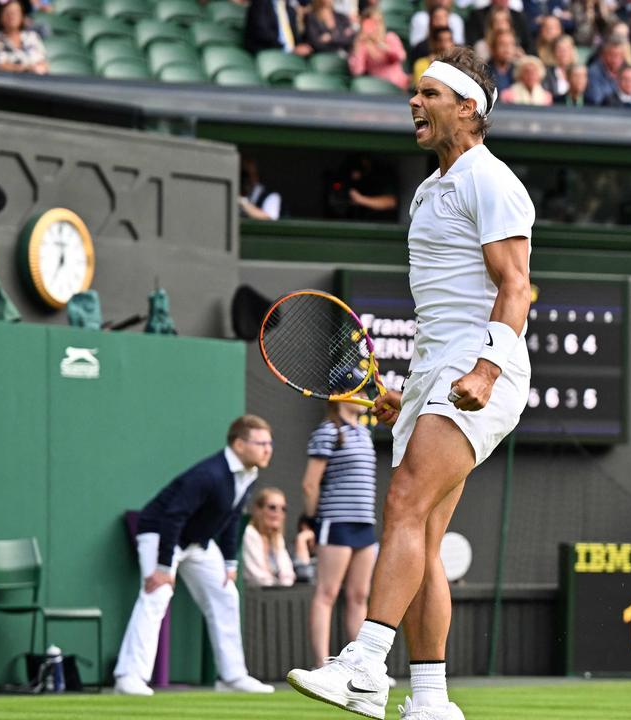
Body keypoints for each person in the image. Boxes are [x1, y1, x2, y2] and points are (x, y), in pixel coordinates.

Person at [287, 46, 534, 720]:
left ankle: (365, 665)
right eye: (413, 94)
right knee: (420, 535)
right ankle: (430, 699)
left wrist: (484, 369)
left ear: (468, 109)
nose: (414, 104)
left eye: (429, 94)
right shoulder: (429, 190)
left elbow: (516, 287)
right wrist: (415, 388)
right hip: (437, 369)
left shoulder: (490, 179)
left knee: (400, 502)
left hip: (482, 364)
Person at [112, 415, 276, 696]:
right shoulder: (209, 475)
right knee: (157, 593)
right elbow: (173, 518)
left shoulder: (248, 474)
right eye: (261, 443)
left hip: (197, 542)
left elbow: (232, 517)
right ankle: (129, 676)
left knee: (225, 594)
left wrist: (229, 562)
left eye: (269, 443)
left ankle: (232, 677)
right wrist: (164, 567)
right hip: (160, 532)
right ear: (238, 444)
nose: (268, 449)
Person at [302, 400, 380, 670]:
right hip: (335, 521)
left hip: (364, 524)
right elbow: (310, 483)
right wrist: (309, 521)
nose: (362, 398)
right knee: (327, 592)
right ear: (339, 396)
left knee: (359, 596)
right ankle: (321, 665)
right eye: (355, 391)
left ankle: (361, 667)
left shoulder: (364, 433)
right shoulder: (327, 431)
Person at [242, 487, 296, 587]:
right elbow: (258, 577)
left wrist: (285, 585)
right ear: (258, 510)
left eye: (283, 509)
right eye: (272, 507)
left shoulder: (277, 538)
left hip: (273, 595)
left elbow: (288, 573)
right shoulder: (249, 534)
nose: (278, 513)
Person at [349, 8, 407, 91]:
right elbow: (357, 71)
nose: (377, 26)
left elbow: (400, 57)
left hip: (398, 87)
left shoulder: (390, 38)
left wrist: (381, 45)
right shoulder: (363, 45)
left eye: (379, 22)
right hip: (377, 89)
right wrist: (358, 46)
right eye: (372, 23)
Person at [0, 0, 46, 74]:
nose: (12, 15)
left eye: (16, 12)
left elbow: (43, 63)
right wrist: (25, 68)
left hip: (36, 81)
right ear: (1, 17)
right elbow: (0, 65)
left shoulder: (32, 36)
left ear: (22, 16)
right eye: (8, 12)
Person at [239, 156, 282, 221]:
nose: (246, 179)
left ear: (256, 176)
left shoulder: (271, 196)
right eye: (243, 175)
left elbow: (269, 218)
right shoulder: (235, 191)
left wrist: (242, 202)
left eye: (248, 175)